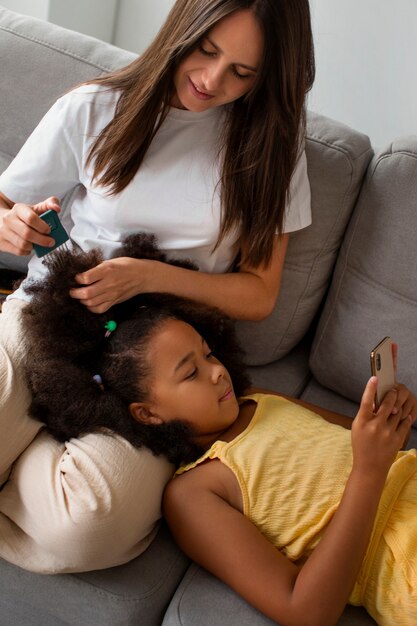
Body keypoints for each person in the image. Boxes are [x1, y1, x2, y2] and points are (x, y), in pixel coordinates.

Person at [0, 0, 314, 571]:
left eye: (243, 73)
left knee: (94, 530)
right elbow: (6, 201)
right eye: (207, 51)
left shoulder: (273, 151)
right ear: (182, 28)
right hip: (53, 311)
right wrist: (9, 222)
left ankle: (24, 443)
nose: (212, 81)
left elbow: (260, 294)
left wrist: (148, 276)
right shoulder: (96, 107)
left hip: (162, 362)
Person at [18, 241, 417, 625]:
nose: (217, 370)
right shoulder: (192, 494)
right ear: (148, 413)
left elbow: (369, 437)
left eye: (209, 353)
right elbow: (306, 612)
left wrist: (389, 417)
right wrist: (368, 471)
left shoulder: (258, 398)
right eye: (191, 372)